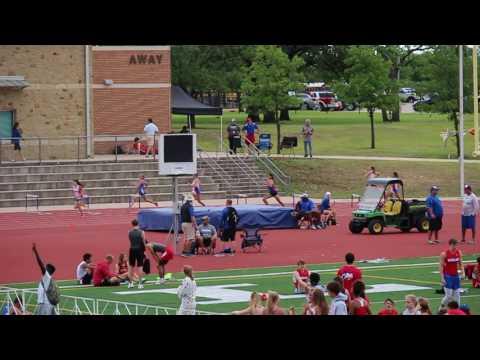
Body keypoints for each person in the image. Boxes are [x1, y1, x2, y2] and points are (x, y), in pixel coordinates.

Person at [32, 243, 58, 315]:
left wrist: (35, 251)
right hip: (48, 305)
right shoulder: (49, 279)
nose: (44, 269)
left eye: (46, 268)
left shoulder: (46, 277)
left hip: (44, 305)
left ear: (48, 270)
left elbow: (40, 264)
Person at [439, 238, 464, 307]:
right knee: (448, 296)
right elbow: (441, 266)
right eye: (454, 245)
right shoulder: (444, 254)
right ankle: (441, 308)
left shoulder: (459, 252)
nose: (455, 247)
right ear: (450, 244)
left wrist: (463, 272)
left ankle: (457, 310)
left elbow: (461, 263)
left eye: (456, 245)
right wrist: (442, 278)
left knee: (457, 295)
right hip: (448, 276)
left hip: (456, 276)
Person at [128, 219, 146, 289]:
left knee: (131, 266)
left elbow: (130, 240)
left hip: (132, 249)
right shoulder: (142, 232)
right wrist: (144, 251)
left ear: (132, 224)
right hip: (139, 250)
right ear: (138, 224)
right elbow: (144, 242)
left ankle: (130, 283)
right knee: (140, 266)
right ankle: (140, 284)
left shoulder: (129, 232)